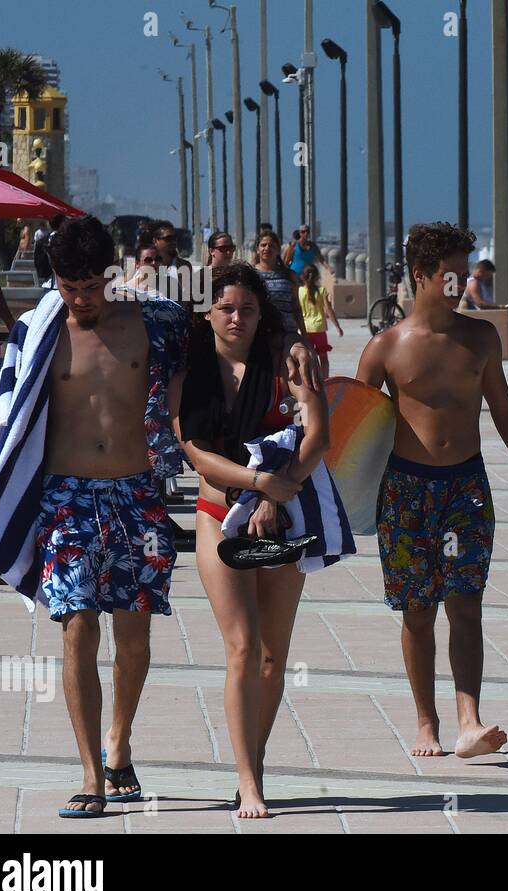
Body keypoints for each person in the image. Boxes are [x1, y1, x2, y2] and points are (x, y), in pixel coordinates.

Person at [0, 217, 192, 817]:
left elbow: (224, 348)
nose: (80, 299)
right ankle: (90, 773)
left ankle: (120, 741)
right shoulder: (38, 332)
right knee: (76, 625)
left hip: (137, 496)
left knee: (133, 637)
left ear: (110, 275)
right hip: (67, 499)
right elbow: (10, 417)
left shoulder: (157, 323)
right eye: (67, 286)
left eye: (90, 287)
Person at [356, 221, 508, 759]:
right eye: (450, 276)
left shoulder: (480, 337)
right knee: (417, 612)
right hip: (404, 491)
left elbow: (507, 416)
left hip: (466, 488)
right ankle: (427, 723)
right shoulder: (385, 348)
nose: (460, 285)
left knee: (466, 604)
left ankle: (470, 720)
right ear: (420, 277)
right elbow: (354, 430)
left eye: (464, 275)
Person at [174, 262, 333, 819]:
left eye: (246, 308)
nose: (236, 317)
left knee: (272, 655)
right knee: (241, 648)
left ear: (261, 312)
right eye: (225, 308)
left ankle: (255, 758)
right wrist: (256, 482)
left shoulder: (286, 360)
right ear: (208, 313)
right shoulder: (191, 368)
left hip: (282, 518)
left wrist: (275, 495)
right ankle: (248, 781)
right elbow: (195, 451)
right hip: (217, 515)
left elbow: (319, 431)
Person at [460, 259, 508, 359]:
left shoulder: (479, 283)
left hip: (488, 312)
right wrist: (499, 307)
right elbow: (480, 304)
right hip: (484, 314)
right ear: (481, 271)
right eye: (488, 275)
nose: (488, 278)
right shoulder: (473, 283)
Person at [254, 229, 307, 338]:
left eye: (271, 245)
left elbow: (296, 307)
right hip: (259, 334)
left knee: (303, 355)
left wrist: (305, 337)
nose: (267, 248)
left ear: (278, 250)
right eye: (263, 245)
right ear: (257, 249)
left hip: (287, 333)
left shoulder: (290, 275)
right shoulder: (251, 274)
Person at [298, 263, 342, 378]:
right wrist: (338, 327)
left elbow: (296, 311)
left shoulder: (299, 292)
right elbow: (329, 310)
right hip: (319, 328)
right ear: (317, 277)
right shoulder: (321, 291)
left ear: (302, 277)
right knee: (323, 358)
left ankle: (307, 380)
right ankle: (325, 380)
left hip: (304, 329)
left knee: (306, 357)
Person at [33, 214, 65, 289]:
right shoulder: (69, 241)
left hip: (46, 281)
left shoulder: (41, 242)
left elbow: (37, 261)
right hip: (64, 283)